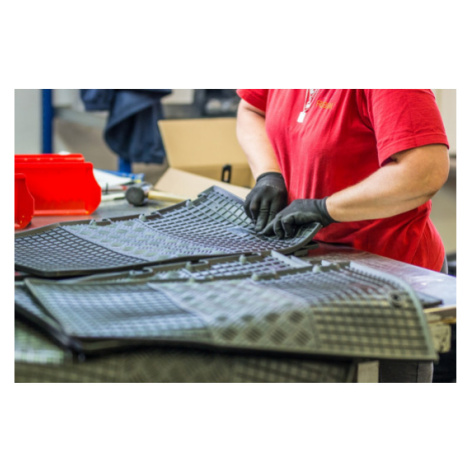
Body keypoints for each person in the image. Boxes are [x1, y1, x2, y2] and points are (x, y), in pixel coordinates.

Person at [236, 89, 450, 382]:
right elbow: (251, 110)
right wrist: (269, 173)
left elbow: (424, 171)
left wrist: (327, 208)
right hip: (311, 263)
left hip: (386, 274)